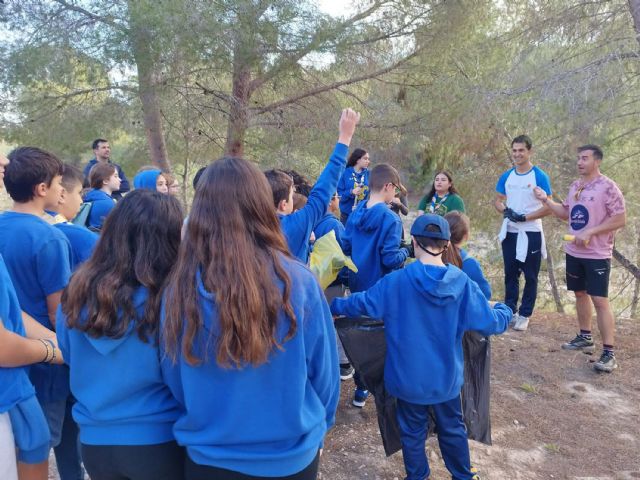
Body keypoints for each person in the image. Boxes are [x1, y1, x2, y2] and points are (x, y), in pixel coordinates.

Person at [161, 155, 340, 480]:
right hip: (291, 458)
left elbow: (173, 375)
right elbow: (324, 376)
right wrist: (320, 429)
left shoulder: (180, 285)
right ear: (260, 204)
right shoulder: (297, 281)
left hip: (210, 458)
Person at [331, 214, 510, 480]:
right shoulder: (461, 284)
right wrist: (504, 310)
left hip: (406, 381)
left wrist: (333, 305)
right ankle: (462, 475)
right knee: (452, 428)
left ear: (413, 242)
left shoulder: (396, 282)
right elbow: (488, 322)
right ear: (447, 245)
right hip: (446, 381)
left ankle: (418, 476)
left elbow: (361, 303)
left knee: (412, 433)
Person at [56, 190, 185, 480]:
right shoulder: (168, 299)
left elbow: (67, 353)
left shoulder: (76, 293)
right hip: (158, 439)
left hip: (95, 442)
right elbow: (182, 377)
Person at [0, 147, 72, 480]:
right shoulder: (50, 238)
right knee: (38, 444)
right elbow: (59, 313)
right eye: (59, 182)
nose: (62, 189)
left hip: (18, 366)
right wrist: (61, 350)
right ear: (41, 188)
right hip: (36, 370)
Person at [534, 145, 626, 373]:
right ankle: (585, 337)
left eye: (584, 158)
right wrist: (546, 200)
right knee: (579, 293)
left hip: (597, 254)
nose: (579, 162)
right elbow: (566, 213)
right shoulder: (576, 186)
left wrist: (591, 232)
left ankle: (608, 353)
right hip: (574, 252)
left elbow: (620, 219)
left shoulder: (608, 187)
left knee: (600, 300)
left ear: (597, 161)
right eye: (578, 158)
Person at [342, 163, 410, 407]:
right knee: (384, 339)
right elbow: (390, 259)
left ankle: (360, 389)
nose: (396, 195)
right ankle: (380, 390)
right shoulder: (391, 220)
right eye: (396, 190)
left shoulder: (357, 212)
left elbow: (346, 246)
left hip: (359, 283)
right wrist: (408, 250)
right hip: (383, 288)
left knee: (362, 335)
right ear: (388, 186)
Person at [50, 163, 98, 480]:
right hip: (70, 350)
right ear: (61, 192)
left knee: (57, 440)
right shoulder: (78, 237)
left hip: (37, 351)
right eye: (79, 193)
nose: (82, 201)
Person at [264, 108, 360, 263]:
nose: (294, 197)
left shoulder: (245, 227)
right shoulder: (295, 225)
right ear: (283, 204)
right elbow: (324, 188)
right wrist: (345, 137)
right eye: (291, 194)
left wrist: (307, 245)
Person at [494, 135, 552, 332]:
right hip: (510, 231)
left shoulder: (539, 176)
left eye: (521, 150)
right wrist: (505, 210)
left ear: (529, 152)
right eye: (515, 150)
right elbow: (498, 200)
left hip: (531, 232)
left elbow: (548, 207)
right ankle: (510, 310)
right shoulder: (507, 176)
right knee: (511, 272)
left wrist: (525, 217)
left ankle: (525, 314)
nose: (517, 154)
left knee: (530, 275)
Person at [84, 163, 121, 231]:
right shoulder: (107, 203)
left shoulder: (89, 197)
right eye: (115, 176)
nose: (120, 179)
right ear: (105, 181)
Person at [337, 148, 370, 224]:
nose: (368, 161)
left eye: (368, 159)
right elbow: (339, 195)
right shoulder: (345, 173)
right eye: (365, 158)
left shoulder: (369, 175)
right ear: (357, 160)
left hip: (362, 215)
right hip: (346, 216)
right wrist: (351, 192)